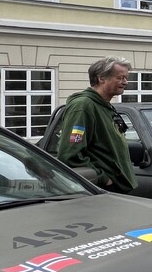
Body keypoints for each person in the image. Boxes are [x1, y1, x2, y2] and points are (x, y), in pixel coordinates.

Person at [57, 56, 137, 193]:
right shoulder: (83, 106)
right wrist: (103, 179)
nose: (125, 82)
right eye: (120, 77)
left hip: (119, 187)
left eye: (126, 78)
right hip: (104, 190)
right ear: (101, 78)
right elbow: (69, 154)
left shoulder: (105, 106)